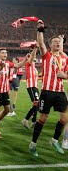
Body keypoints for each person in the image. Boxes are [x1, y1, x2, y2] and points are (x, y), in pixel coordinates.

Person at [29, 22, 68, 156]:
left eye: (59, 42)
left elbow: (67, 73)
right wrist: (40, 31)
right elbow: (40, 43)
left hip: (60, 92)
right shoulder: (47, 55)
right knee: (43, 118)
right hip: (47, 92)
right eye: (55, 42)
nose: (57, 43)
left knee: (65, 118)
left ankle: (54, 140)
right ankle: (33, 143)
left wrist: (65, 75)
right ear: (50, 45)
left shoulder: (64, 58)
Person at [0, 48, 27, 139]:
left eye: (6, 53)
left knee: (7, 109)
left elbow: (17, 65)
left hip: (5, 91)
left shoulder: (8, 64)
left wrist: (25, 59)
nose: (5, 54)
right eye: (2, 53)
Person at [21, 45, 39, 129]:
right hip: (31, 86)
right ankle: (26, 120)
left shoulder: (34, 68)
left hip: (35, 87)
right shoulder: (28, 64)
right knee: (36, 103)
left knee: (36, 104)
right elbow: (32, 57)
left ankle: (34, 121)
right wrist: (35, 48)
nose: (33, 58)